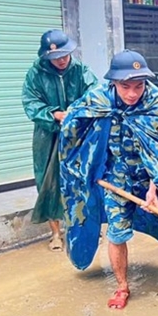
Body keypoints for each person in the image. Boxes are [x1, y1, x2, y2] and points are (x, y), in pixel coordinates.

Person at [59, 50, 158, 310]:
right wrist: (88, 166)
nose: (133, 94)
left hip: (154, 175)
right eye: (125, 87)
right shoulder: (98, 100)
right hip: (115, 178)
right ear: (113, 82)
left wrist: (154, 188)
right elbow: (72, 124)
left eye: (139, 86)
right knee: (117, 233)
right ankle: (122, 286)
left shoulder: (156, 102)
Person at [22, 29, 98, 251]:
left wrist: (76, 113)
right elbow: (30, 102)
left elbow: (94, 94)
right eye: (56, 57)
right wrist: (53, 114)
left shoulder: (81, 70)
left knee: (83, 178)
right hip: (48, 134)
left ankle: (87, 226)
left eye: (64, 55)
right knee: (48, 181)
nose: (62, 60)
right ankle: (55, 233)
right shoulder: (36, 73)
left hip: (78, 133)